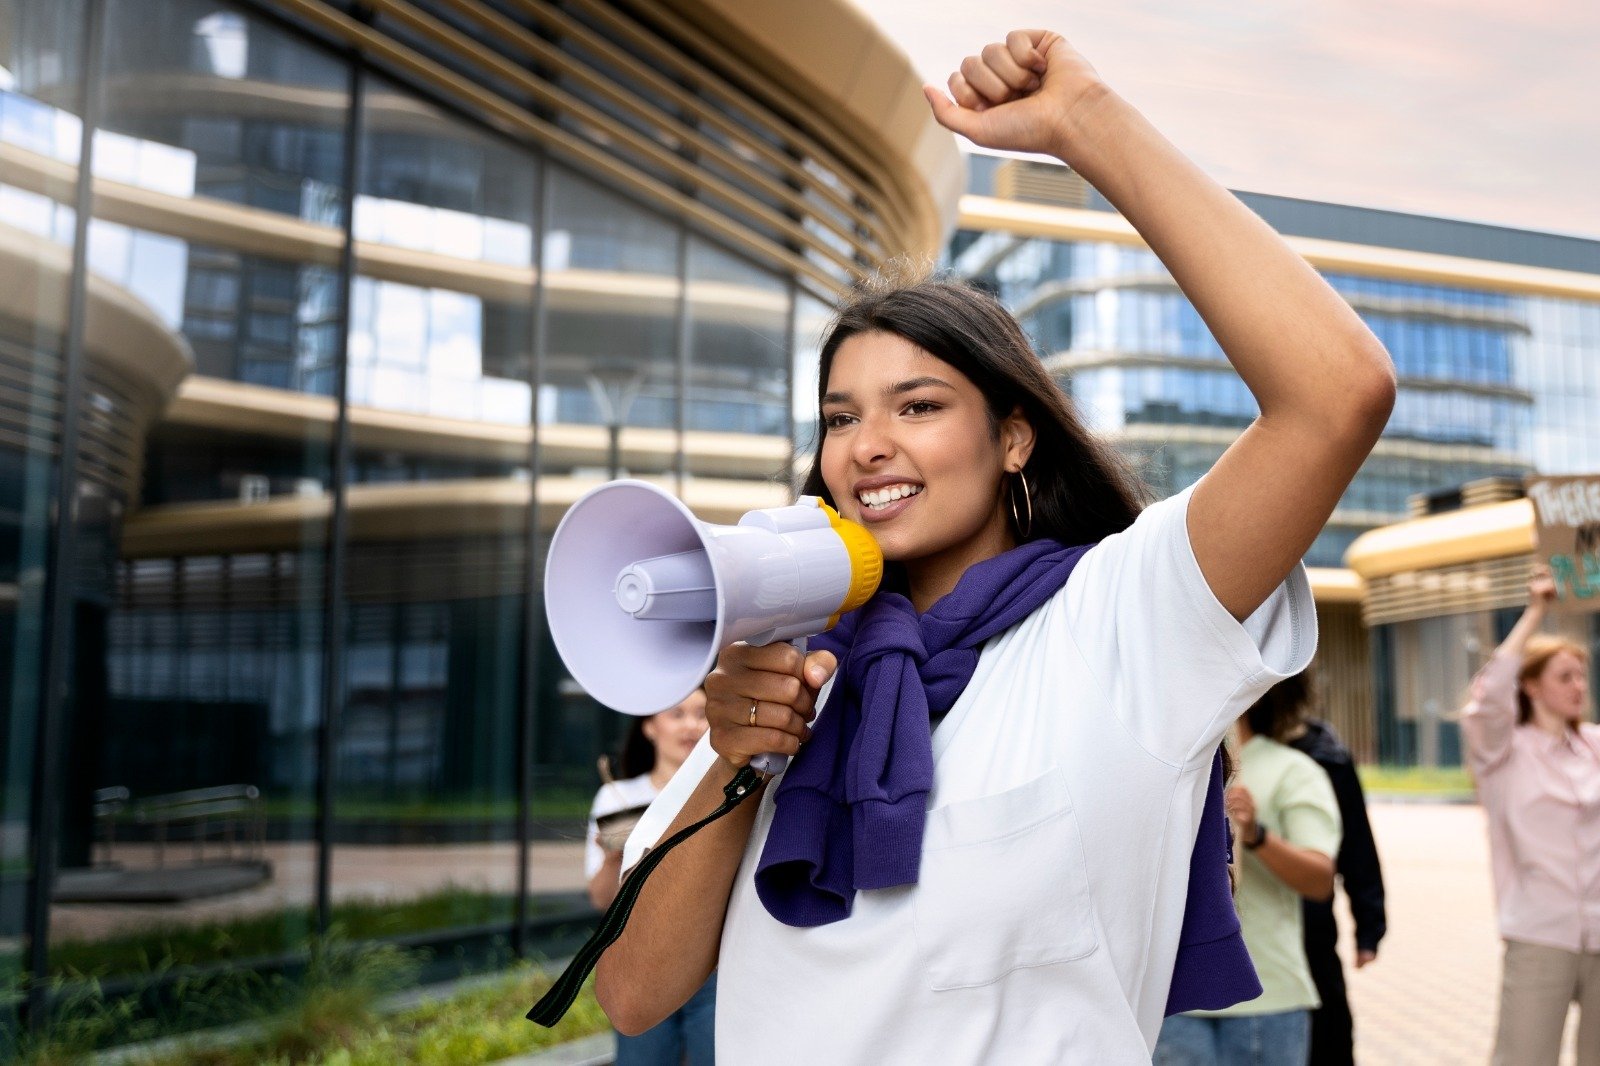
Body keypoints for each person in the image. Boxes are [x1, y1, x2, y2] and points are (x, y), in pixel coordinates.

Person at [592, 28, 1395, 1063]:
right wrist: (733, 761)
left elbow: (1337, 394)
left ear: (1012, 434)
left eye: (917, 405)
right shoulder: (791, 675)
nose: (867, 445)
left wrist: (1084, 120)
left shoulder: (1125, 617)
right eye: (838, 418)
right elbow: (631, 994)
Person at [1156, 676, 1343, 1065]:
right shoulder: (1167, 766)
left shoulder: (1293, 769)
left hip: (1267, 999)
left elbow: (1320, 881)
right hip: (1175, 999)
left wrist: (1257, 836)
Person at [1461, 568, 1598, 1066]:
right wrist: (1536, 611)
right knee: (1525, 1058)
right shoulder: (1502, 753)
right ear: (1532, 687)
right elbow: (1487, 696)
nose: (1579, 685)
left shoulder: (1595, 747)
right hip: (1541, 935)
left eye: (1582, 675)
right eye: (1565, 676)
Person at [585, 691, 716, 1066]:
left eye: (701, 714)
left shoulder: (728, 792)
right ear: (649, 726)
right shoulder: (616, 799)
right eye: (677, 714)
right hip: (638, 959)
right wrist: (613, 857)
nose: (691, 725)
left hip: (711, 963)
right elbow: (601, 900)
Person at [1285, 678, 1387, 1066]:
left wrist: (1369, 925)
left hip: (1312, 923)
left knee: (1328, 1034)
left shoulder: (1329, 756)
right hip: (1251, 929)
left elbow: (1357, 846)